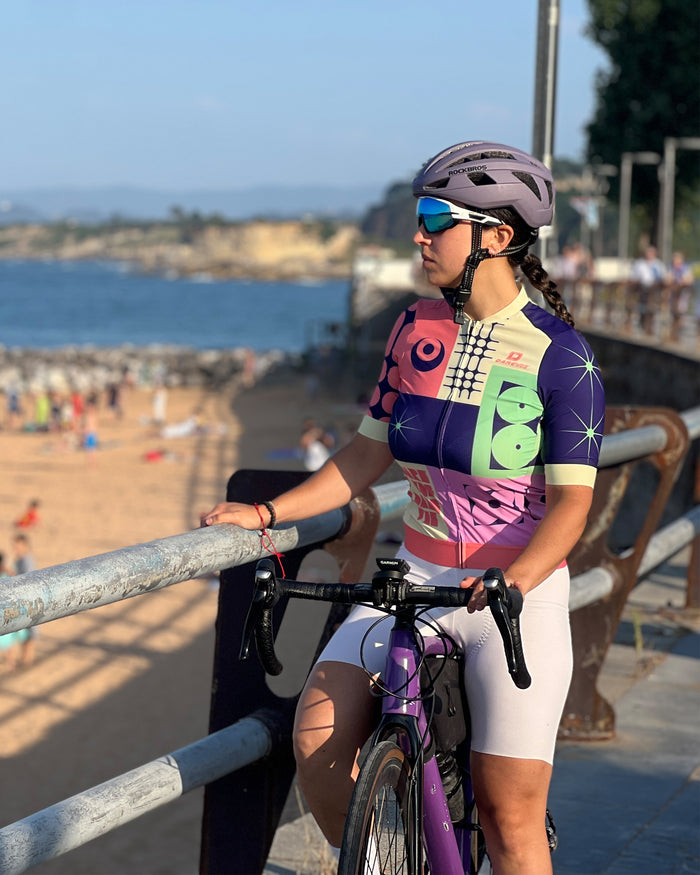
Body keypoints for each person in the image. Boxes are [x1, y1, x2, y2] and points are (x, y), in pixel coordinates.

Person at [201, 141, 606, 874]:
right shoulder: (414, 330)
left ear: (497, 236)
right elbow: (362, 458)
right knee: (317, 743)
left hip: (514, 593)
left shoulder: (562, 356)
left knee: (508, 815)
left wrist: (515, 581)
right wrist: (266, 516)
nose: (419, 235)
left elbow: (573, 503)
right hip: (416, 576)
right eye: (420, 218)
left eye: (435, 219)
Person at [11, 534, 37, 666]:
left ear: (24, 545)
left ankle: (28, 658)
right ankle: (24, 658)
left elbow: (28, 579)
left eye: (18, 545)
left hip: (29, 599)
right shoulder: (19, 560)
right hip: (22, 599)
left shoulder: (27, 560)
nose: (16, 548)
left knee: (30, 630)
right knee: (23, 630)